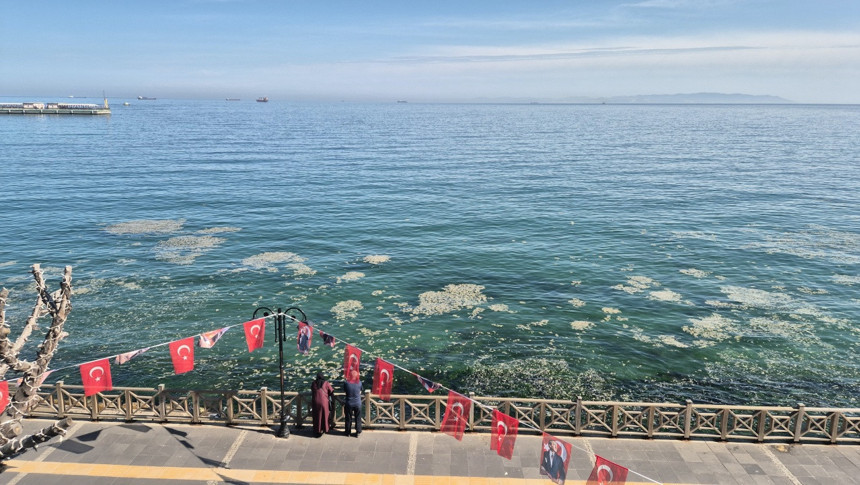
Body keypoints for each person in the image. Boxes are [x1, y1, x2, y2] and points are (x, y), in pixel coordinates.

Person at [310, 372, 333, 437]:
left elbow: (312, 389)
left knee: (317, 416)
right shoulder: (326, 383)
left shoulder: (314, 383)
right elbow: (331, 391)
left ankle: (317, 430)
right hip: (324, 402)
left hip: (315, 401)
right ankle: (324, 429)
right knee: (324, 415)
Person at [343, 369, 363, 437]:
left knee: (348, 418)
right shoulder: (359, 382)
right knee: (358, 418)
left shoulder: (346, 383)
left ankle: (348, 432)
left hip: (349, 403)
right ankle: (358, 432)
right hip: (357, 403)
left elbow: (345, 391)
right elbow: (360, 391)